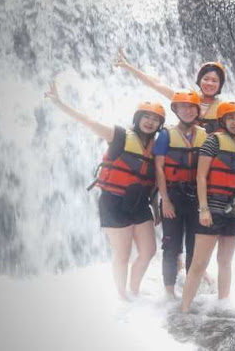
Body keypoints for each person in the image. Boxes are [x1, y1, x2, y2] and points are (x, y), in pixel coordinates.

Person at [45, 81, 165, 301]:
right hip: (114, 201)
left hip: (140, 203)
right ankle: (123, 297)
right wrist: (60, 103)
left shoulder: (158, 147)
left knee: (148, 251)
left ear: (160, 124)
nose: (150, 122)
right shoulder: (119, 136)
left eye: (155, 119)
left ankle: (134, 291)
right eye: (146, 117)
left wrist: (157, 209)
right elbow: (89, 122)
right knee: (123, 254)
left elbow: (153, 179)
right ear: (137, 119)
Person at [180, 101, 235, 312]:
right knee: (199, 264)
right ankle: (184, 309)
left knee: (225, 261)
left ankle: (223, 305)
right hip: (212, 209)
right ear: (223, 120)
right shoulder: (212, 141)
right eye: (231, 118)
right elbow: (201, 177)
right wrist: (203, 209)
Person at [113, 49, 235, 132]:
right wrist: (129, 67)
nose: (210, 83)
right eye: (206, 79)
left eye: (214, 80)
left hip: (211, 156)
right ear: (199, 81)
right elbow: (156, 84)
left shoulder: (224, 106)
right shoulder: (187, 98)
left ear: (219, 85)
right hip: (188, 152)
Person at [154, 89, 210, 298]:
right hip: (173, 198)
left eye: (191, 107)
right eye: (182, 106)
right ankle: (169, 293)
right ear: (175, 110)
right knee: (171, 245)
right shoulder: (165, 135)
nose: (187, 110)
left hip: (196, 198)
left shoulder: (205, 136)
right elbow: (159, 168)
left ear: (197, 110)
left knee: (194, 246)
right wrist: (165, 201)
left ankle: (190, 290)